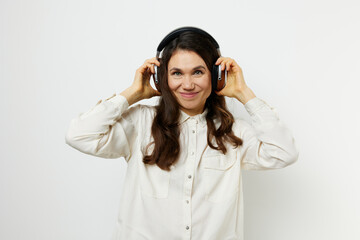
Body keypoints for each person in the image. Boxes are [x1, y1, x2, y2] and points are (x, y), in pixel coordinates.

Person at [65, 27, 299, 240]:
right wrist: (132, 94)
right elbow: (79, 135)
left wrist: (244, 93)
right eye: (177, 73)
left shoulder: (233, 132)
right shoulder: (140, 123)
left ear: (216, 76)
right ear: (162, 77)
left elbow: (284, 153)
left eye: (198, 72)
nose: (187, 85)